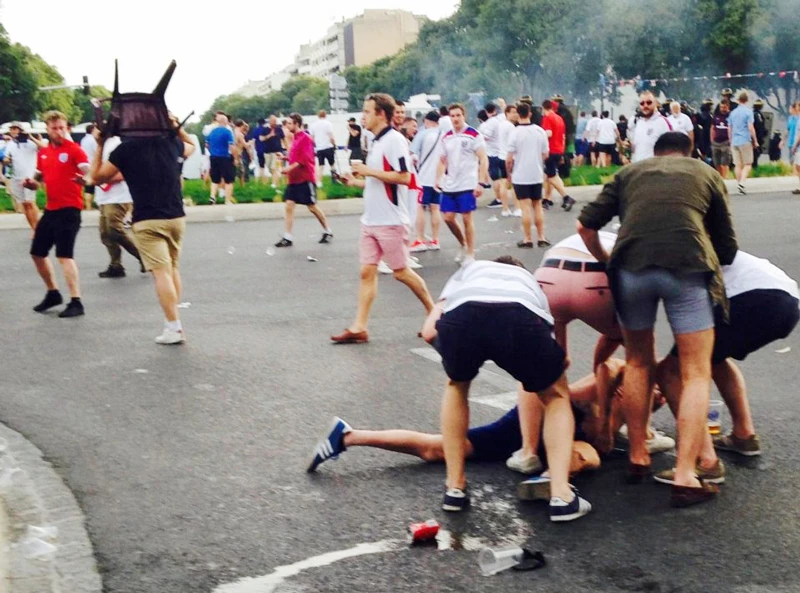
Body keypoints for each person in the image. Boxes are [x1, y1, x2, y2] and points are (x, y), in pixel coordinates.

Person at [577, 132, 738, 508]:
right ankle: (685, 475)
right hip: (687, 267)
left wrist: (606, 257)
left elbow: (584, 226)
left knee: (636, 360)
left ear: (655, 154)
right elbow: (726, 244)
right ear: (690, 150)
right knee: (696, 372)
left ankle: (637, 454)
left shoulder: (629, 173)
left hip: (631, 269)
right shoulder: (706, 171)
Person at [421, 256, 591, 521]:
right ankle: (562, 497)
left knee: (456, 386)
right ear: (521, 270)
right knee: (556, 396)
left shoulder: (468, 271)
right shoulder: (530, 284)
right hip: (519, 315)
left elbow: (429, 332)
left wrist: (461, 358)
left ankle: (454, 488)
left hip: (463, 314)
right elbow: (556, 352)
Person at [653, 250, 799, 486]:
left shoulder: (658, 248)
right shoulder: (689, 232)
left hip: (748, 297)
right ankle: (744, 435)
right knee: (712, 358)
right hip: (787, 300)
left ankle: (705, 461)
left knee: (670, 371)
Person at [332, 93, 434, 344]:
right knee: (367, 272)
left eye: (367, 112)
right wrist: (355, 181)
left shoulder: (395, 141)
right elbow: (377, 182)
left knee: (401, 272)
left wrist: (368, 171)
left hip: (391, 220)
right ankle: (359, 327)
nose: (362, 117)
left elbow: (404, 177)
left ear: (380, 114)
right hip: (371, 221)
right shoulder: (375, 142)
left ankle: (436, 315)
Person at [91, 116, 196, 344]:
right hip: (176, 216)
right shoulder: (171, 143)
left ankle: (173, 326)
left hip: (147, 219)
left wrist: (100, 144)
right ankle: (174, 320)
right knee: (172, 269)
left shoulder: (125, 149)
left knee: (161, 273)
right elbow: (192, 146)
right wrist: (177, 127)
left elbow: (96, 176)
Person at [23, 111, 89, 318]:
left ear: (67, 128)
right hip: (51, 209)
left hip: (70, 209)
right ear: (47, 129)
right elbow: (38, 180)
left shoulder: (74, 150)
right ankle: (53, 293)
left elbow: (88, 172)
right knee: (37, 253)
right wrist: (31, 184)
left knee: (64, 255)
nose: (59, 131)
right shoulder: (43, 153)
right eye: (54, 128)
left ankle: (76, 301)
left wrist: (85, 180)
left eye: (62, 127)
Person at [435, 103, 489, 265]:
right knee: (448, 218)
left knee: (466, 217)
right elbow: (442, 160)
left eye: (458, 115)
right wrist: (438, 178)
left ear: (463, 116)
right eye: (452, 116)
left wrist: (480, 182)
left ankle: (471, 253)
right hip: (451, 183)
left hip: (468, 182)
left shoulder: (473, 134)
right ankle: (462, 243)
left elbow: (483, 159)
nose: (455, 119)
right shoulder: (446, 137)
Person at [273, 113, 333, 248]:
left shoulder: (306, 138)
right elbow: (295, 157)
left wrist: (288, 169)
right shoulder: (295, 139)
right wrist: (284, 158)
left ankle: (328, 231)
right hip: (293, 180)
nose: (287, 126)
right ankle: (287, 237)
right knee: (289, 205)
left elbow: (304, 160)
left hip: (305, 178)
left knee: (312, 206)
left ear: (296, 124)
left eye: (289, 123)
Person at [92, 135, 143, 278]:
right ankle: (116, 265)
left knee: (114, 229)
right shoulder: (101, 145)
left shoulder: (116, 144)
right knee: (105, 233)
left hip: (119, 196)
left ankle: (143, 256)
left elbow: (123, 173)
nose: (94, 132)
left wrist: (100, 179)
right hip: (103, 196)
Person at [506, 102, 550, 248]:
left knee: (525, 206)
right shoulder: (540, 131)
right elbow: (545, 154)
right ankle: (542, 237)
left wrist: (509, 173)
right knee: (537, 205)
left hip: (520, 174)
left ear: (518, 114)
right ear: (530, 113)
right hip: (536, 173)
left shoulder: (515, 132)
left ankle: (527, 238)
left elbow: (509, 158)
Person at [409, 111, 444, 252]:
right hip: (439, 179)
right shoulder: (444, 135)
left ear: (426, 121)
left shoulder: (422, 134)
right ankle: (435, 240)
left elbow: (413, 155)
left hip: (423, 178)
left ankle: (420, 239)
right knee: (435, 208)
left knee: (420, 207)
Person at [3, 123, 40, 232]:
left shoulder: (30, 143)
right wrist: (6, 161)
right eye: (12, 129)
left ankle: (38, 228)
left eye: (16, 129)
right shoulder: (10, 144)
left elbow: (44, 147)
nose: (13, 131)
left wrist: (31, 137)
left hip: (30, 176)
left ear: (21, 130)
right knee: (24, 204)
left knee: (30, 202)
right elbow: (6, 158)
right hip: (16, 177)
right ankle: (33, 228)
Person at [540, 100, 575, 211]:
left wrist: (538, 135)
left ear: (543, 107)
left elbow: (548, 133)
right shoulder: (559, 119)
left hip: (550, 150)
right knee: (547, 176)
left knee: (552, 176)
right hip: (559, 149)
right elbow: (563, 136)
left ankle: (566, 197)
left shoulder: (547, 118)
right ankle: (546, 200)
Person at [728, 91, 758, 194]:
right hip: (745, 140)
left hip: (735, 141)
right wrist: (755, 140)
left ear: (738, 100)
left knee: (738, 165)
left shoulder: (732, 113)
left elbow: (729, 128)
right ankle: (742, 183)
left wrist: (730, 140)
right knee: (748, 164)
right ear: (747, 100)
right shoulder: (748, 112)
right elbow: (750, 127)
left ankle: (739, 184)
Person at [629, 91, 672, 163]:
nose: (645, 105)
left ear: (655, 103)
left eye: (649, 102)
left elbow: (671, 148)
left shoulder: (662, 122)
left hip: (656, 169)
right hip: (639, 168)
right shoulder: (639, 123)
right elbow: (636, 148)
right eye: (642, 103)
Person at [206, 111, 235, 205]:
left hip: (213, 157)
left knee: (215, 179)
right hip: (225, 157)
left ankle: (212, 196)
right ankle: (227, 200)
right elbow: (231, 146)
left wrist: (212, 151)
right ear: (226, 122)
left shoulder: (212, 132)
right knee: (228, 180)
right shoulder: (228, 132)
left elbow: (207, 144)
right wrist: (235, 157)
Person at [309, 110, 337, 188]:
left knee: (321, 166)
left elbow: (311, 138)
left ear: (318, 116)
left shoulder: (313, 125)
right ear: (325, 115)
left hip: (319, 148)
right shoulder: (328, 123)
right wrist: (334, 144)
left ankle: (319, 182)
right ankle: (334, 179)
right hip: (328, 147)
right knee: (332, 164)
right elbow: (331, 136)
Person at [260, 115, 286, 188]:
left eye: (275, 121)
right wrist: (269, 135)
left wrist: (287, 148)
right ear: (270, 121)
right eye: (273, 121)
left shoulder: (279, 129)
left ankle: (274, 184)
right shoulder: (265, 129)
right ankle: (277, 179)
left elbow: (284, 139)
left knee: (274, 167)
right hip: (267, 152)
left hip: (277, 151)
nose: (275, 123)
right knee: (269, 168)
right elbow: (261, 139)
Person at [711, 99, 733, 178]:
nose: (722, 109)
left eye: (724, 107)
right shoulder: (716, 116)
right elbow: (713, 127)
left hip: (726, 142)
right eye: (721, 107)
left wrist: (731, 140)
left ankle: (725, 178)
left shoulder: (731, 116)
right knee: (717, 162)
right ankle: (720, 177)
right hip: (716, 142)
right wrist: (712, 139)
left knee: (725, 162)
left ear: (728, 107)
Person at [80, 124, 99, 210]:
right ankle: (93, 205)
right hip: (93, 166)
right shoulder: (93, 140)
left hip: (85, 166)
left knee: (88, 188)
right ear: (92, 130)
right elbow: (98, 151)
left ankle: (88, 206)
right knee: (94, 187)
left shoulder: (83, 140)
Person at [752, 99, 768, 168]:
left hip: (756, 137)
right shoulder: (758, 115)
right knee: (755, 154)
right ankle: (754, 167)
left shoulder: (754, 114)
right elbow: (759, 127)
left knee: (756, 154)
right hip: (757, 138)